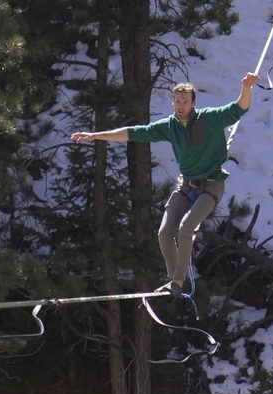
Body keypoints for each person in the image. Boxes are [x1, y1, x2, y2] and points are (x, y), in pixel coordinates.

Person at [71, 72, 260, 296]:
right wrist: (96, 135)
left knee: (186, 228)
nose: (180, 106)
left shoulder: (209, 118)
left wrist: (246, 87)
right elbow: (134, 133)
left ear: (193, 103)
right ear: (173, 102)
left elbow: (239, 108)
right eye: (177, 102)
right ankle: (174, 281)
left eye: (185, 102)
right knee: (164, 233)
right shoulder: (169, 126)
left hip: (211, 185)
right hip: (187, 186)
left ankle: (178, 283)